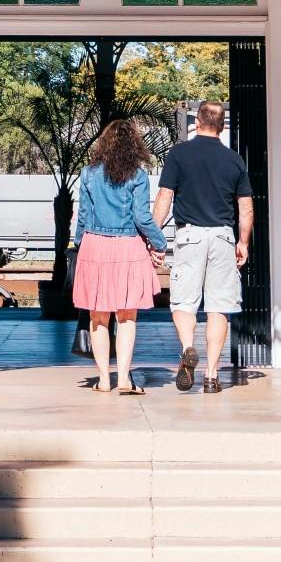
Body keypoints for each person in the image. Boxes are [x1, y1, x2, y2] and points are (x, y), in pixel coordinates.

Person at [153, 99, 253, 395]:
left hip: (190, 236)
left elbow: (164, 197)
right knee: (219, 306)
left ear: (197, 123)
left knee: (183, 301)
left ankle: (187, 348)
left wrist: (154, 235)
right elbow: (246, 208)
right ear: (222, 127)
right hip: (222, 237)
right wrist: (243, 242)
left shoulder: (179, 154)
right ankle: (211, 376)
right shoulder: (234, 160)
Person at [71, 117, 169, 397]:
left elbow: (84, 216)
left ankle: (103, 379)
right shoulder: (137, 176)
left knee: (98, 316)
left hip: (95, 246)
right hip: (128, 247)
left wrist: (81, 244)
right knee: (127, 316)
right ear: (133, 145)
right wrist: (159, 242)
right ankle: (124, 378)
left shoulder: (88, 173)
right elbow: (141, 217)